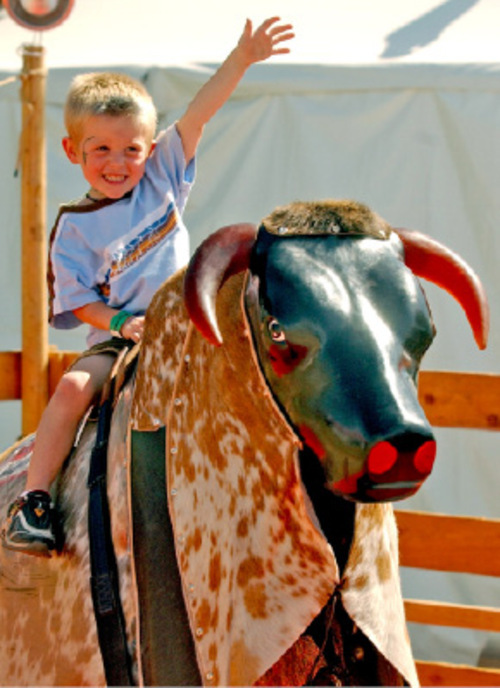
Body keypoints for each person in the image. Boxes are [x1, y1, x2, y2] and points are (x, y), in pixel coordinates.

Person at [1, 16, 294, 556]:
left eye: (131, 149)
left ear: (148, 148)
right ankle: (35, 504)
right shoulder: (73, 229)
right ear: (72, 152)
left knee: (273, 367)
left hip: (192, 321)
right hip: (121, 337)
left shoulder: (161, 173)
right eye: (101, 150)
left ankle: (286, 495)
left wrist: (242, 57)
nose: (118, 163)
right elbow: (78, 301)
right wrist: (120, 323)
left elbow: (200, 113)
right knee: (69, 388)